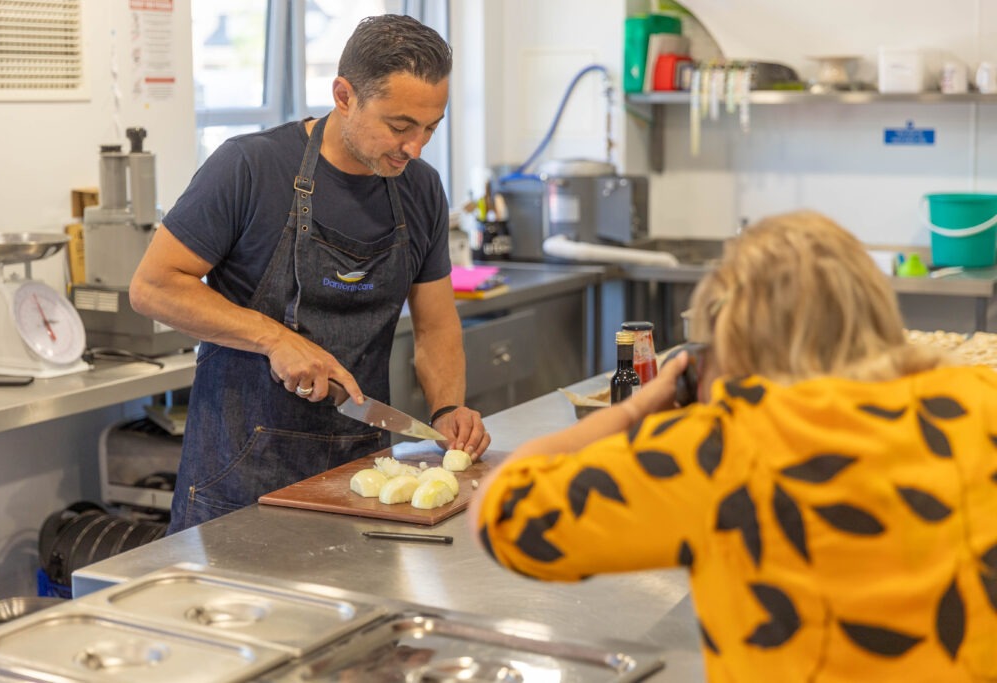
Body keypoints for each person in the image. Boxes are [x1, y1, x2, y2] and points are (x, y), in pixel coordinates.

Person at [471, 211, 997, 682]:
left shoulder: (727, 445)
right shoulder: (980, 399)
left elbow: (503, 514)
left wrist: (634, 408)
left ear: (737, 335)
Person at [130, 14, 490, 533]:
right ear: (344, 95)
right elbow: (152, 286)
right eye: (400, 126)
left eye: (431, 127)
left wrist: (447, 407)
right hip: (242, 476)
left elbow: (435, 325)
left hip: (363, 469)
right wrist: (274, 338)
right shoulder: (249, 168)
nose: (416, 147)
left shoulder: (421, 188)